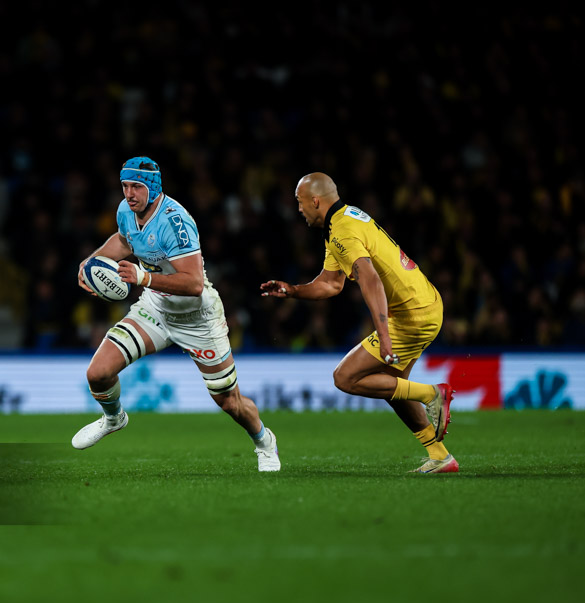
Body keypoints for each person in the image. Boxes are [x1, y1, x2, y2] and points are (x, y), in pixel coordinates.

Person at [73, 157, 281, 471]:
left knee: (229, 402)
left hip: (197, 318)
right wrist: (93, 262)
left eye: (136, 187)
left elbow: (195, 283)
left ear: (153, 188)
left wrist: (143, 278)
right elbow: (123, 239)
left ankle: (264, 441)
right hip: (156, 308)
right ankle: (114, 418)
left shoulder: (176, 222)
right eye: (125, 186)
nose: (129, 194)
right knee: (97, 374)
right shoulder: (125, 211)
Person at [260, 172, 456, 473]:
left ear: (315, 201)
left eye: (300, 202)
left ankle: (433, 394)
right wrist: (294, 291)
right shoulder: (344, 220)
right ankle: (441, 456)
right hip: (427, 304)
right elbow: (331, 284)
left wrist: (384, 336)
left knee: (345, 377)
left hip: (410, 316)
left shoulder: (342, 232)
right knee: (392, 387)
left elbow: (371, 279)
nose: (298, 209)